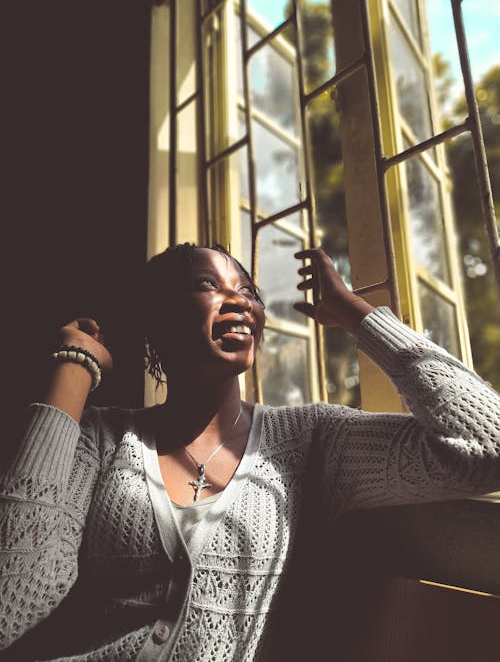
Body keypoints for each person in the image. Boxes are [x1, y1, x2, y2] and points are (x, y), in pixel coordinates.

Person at [1, 242, 499, 661]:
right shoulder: (103, 438)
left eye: (247, 291)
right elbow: (14, 604)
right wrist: (74, 368)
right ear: (159, 317)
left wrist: (354, 314)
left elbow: (488, 444)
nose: (238, 301)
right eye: (207, 285)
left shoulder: (310, 438)